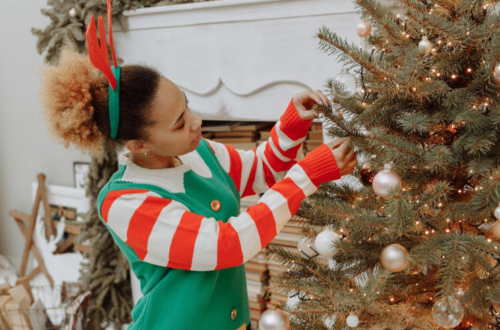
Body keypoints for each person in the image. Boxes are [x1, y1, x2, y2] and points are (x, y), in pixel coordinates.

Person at [39, 46, 357, 329]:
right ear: (138, 144)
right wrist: (307, 176)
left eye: (187, 106)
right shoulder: (125, 202)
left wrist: (292, 124)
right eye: (179, 122)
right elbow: (227, 245)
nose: (196, 122)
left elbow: (262, 171)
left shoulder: (199, 152)